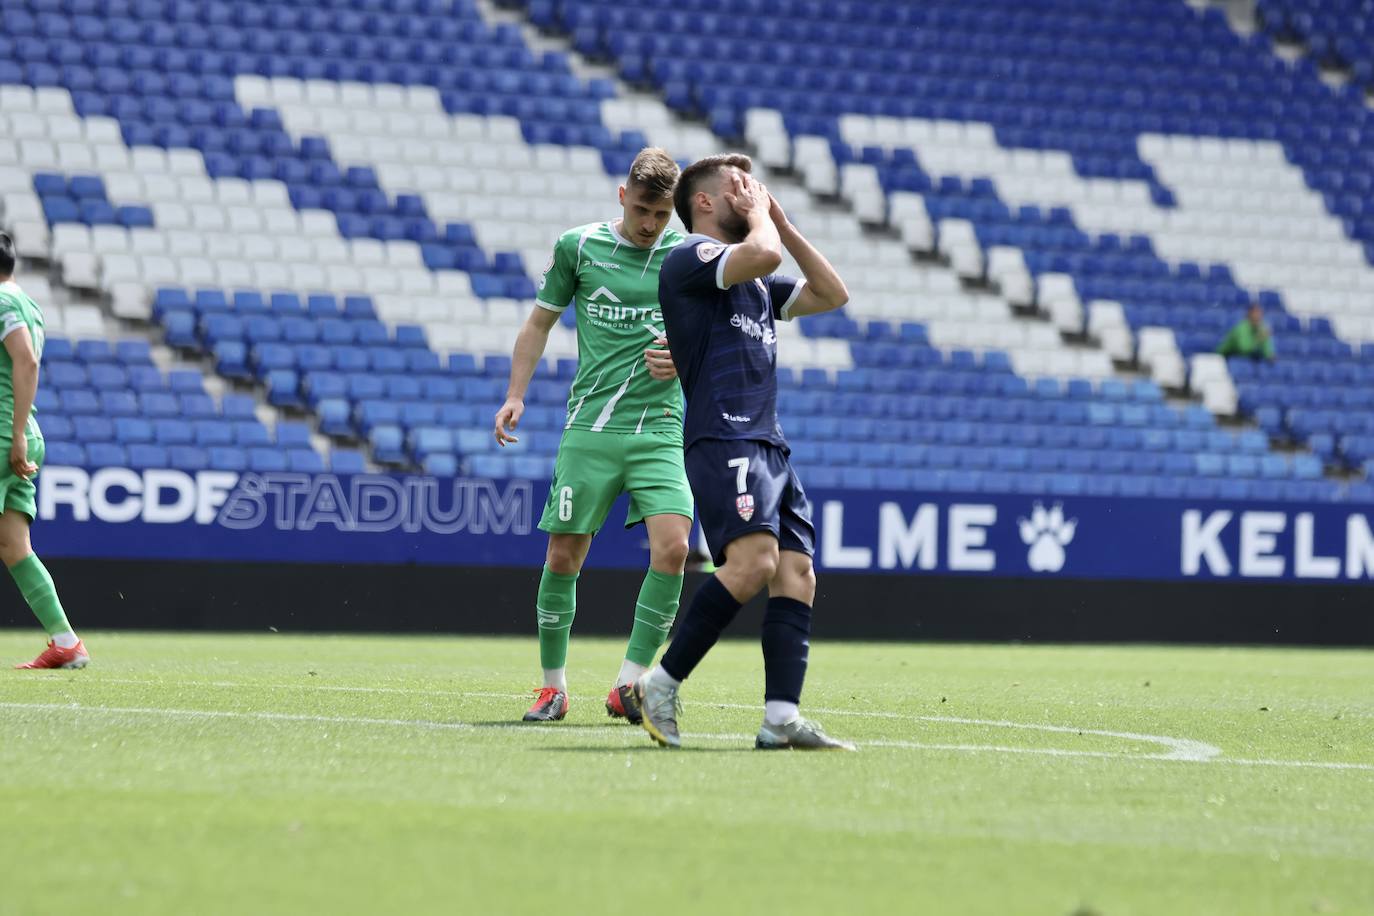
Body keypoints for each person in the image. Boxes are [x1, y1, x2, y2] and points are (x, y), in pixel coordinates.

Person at [629, 154, 853, 750]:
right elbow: (763, 253)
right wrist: (763, 225)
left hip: (768, 442)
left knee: (795, 572)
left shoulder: (753, 279)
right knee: (752, 564)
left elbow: (833, 293)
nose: (751, 193)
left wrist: (779, 216)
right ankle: (662, 682)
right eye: (738, 188)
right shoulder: (692, 256)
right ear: (704, 202)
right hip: (723, 435)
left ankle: (780, 719)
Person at [494, 148, 693, 723]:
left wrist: (683, 356)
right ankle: (552, 689)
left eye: (662, 215)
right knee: (563, 555)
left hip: (659, 428)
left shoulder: (687, 256)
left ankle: (628, 685)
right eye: (644, 211)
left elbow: (719, 333)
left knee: (675, 547)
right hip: (591, 427)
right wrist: (515, 394)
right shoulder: (577, 246)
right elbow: (539, 323)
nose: (652, 224)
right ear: (622, 196)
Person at [0, 232, 88, 669]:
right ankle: (66, 641)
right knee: (14, 546)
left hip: (3, 430)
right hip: (22, 428)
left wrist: (14, 434)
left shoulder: (1, 302)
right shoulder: (29, 303)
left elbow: (26, 362)